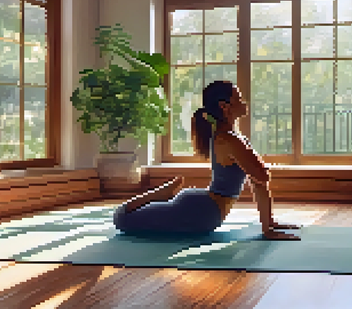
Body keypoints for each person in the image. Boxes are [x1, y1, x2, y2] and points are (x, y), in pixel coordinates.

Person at [113, 80, 301, 240]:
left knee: (125, 217)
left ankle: (164, 195)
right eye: (239, 98)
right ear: (224, 106)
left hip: (203, 209)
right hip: (200, 213)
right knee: (121, 218)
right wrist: (268, 229)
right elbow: (262, 175)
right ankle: (160, 194)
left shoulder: (233, 137)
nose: (245, 102)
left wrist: (269, 226)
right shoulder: (228, 139)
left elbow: (259, 182)